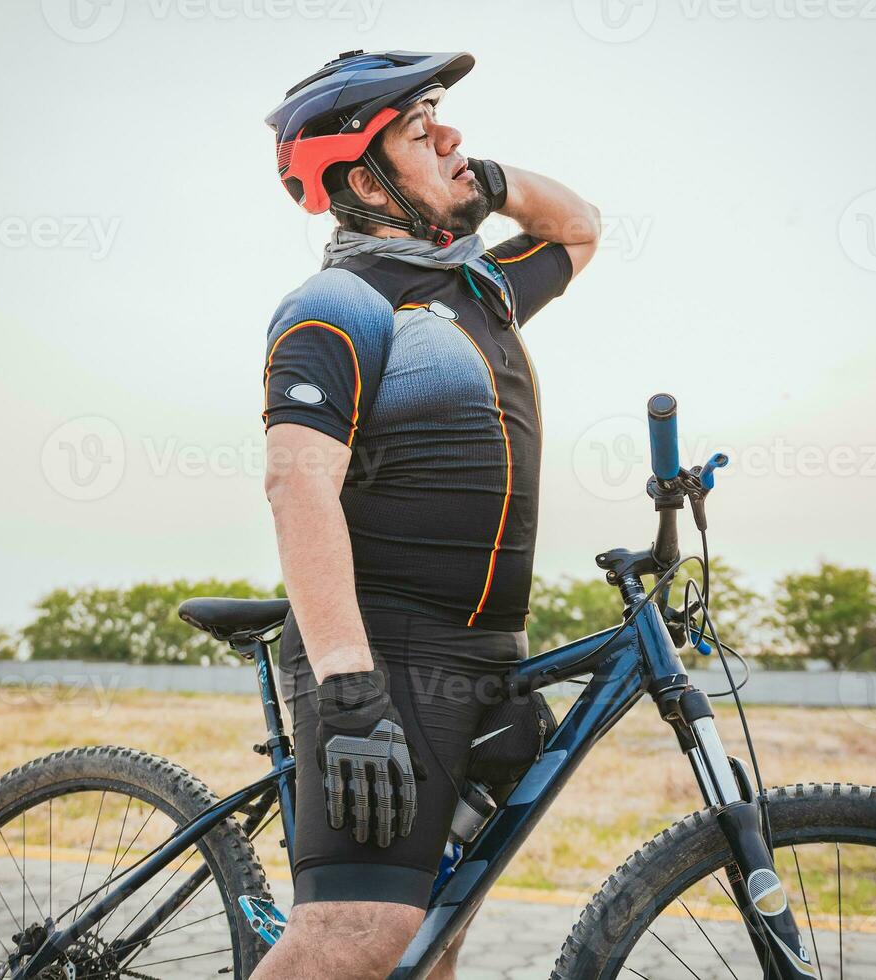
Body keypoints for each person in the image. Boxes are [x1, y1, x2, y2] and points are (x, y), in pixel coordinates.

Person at [256, 49, 599, 979]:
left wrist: (485, 182)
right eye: (421, 128)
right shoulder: (340, 302)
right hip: (386, 653)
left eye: (443, 117)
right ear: (363, 179)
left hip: (487, 650)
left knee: (433, 938)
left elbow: (578, 230)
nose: (452, 136)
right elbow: (298, 486)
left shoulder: (479, 287)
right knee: (358, 939)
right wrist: (347, 684)